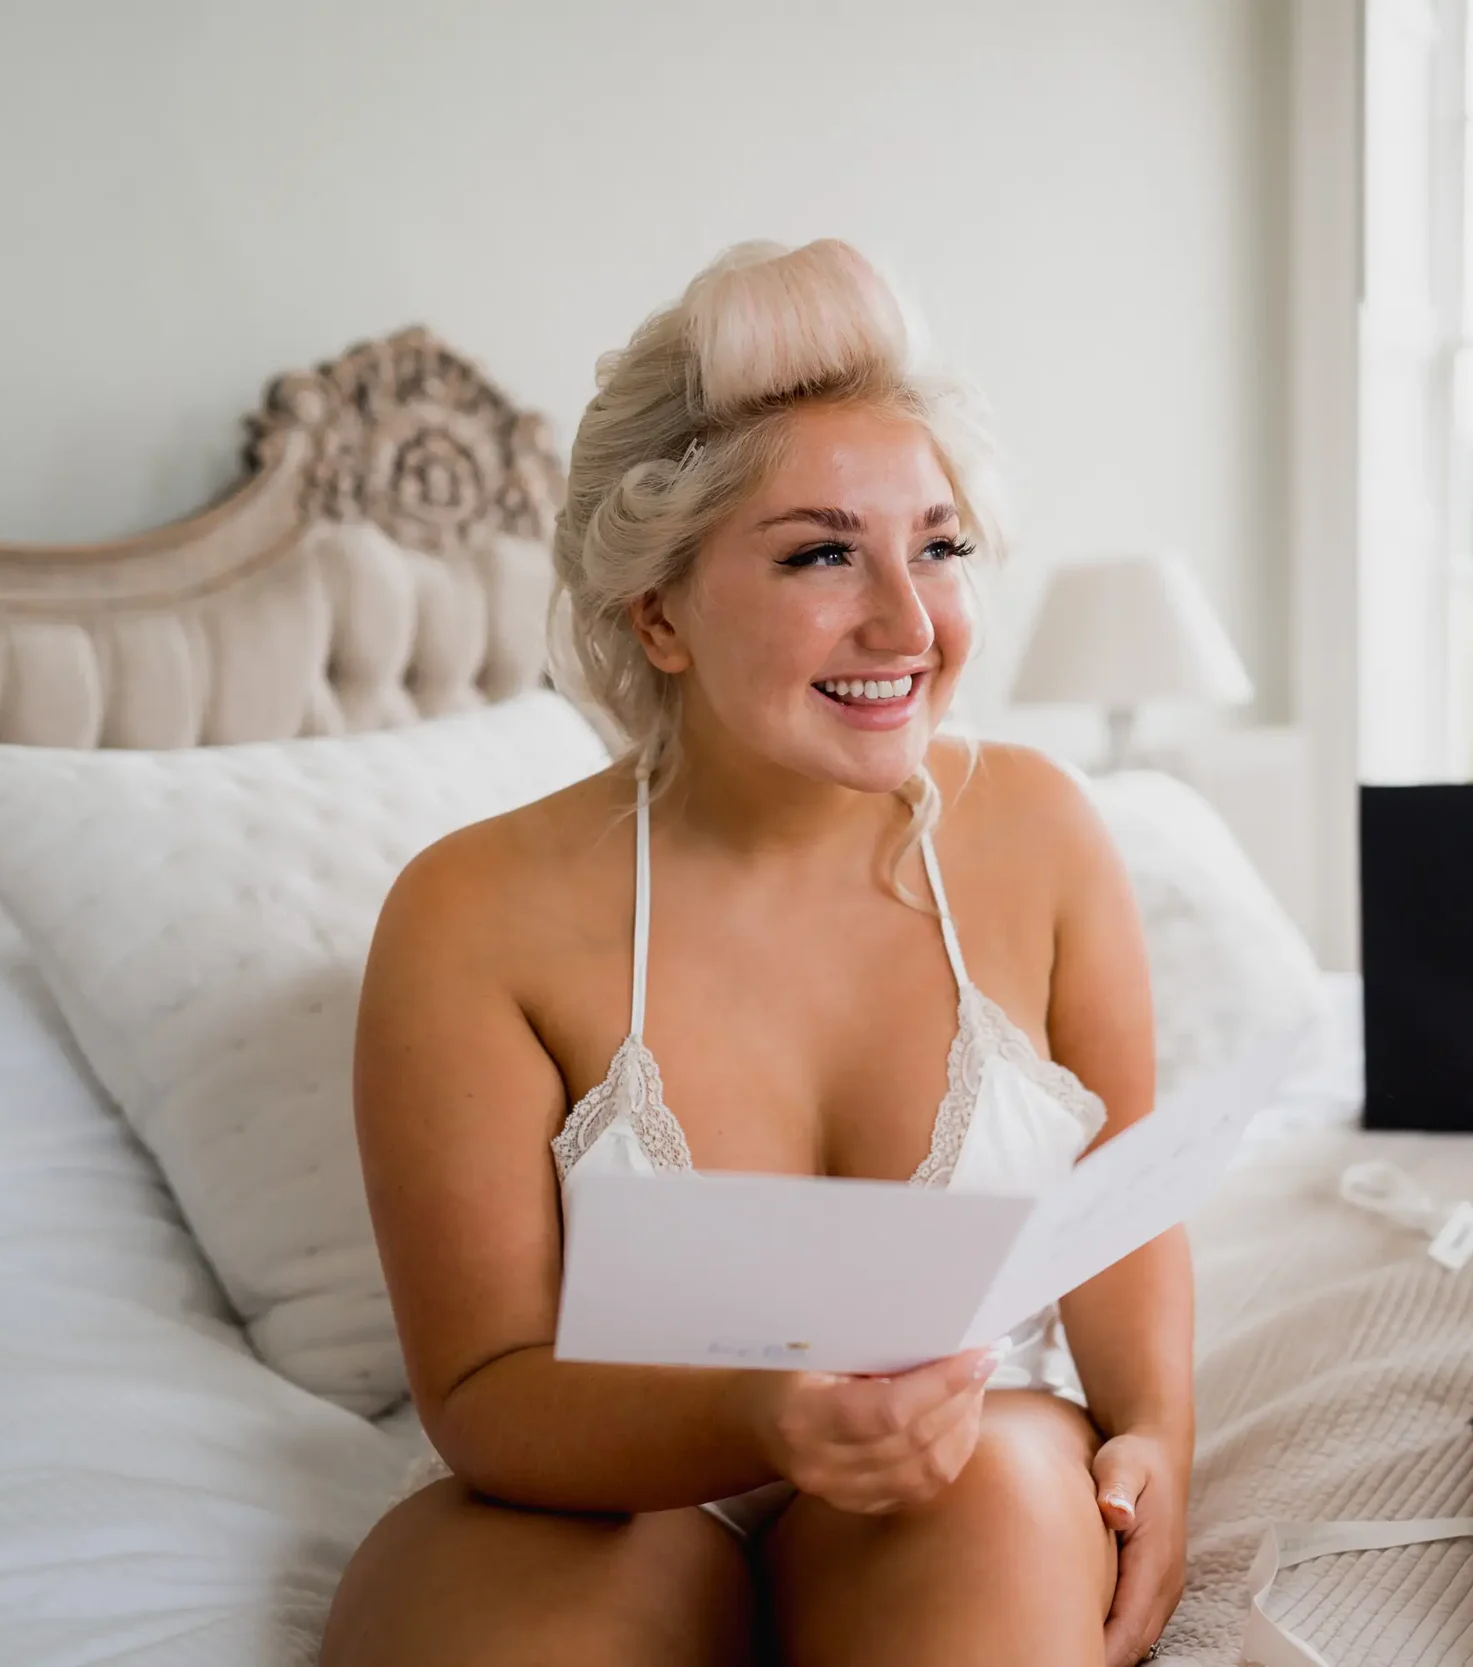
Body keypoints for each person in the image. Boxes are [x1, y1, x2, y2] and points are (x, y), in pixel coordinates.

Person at [321, 239, 1189, 1667]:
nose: (909, 624)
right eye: (822, 551)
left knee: (1004, 1501)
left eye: (941, 545)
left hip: (965, 1471)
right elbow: (480, 1383)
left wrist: (1157, 1422)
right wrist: (756, 1414)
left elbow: (1126, 1188)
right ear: (656, 611)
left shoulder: (1038, 832)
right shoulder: (472, 915)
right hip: (593, 1490)